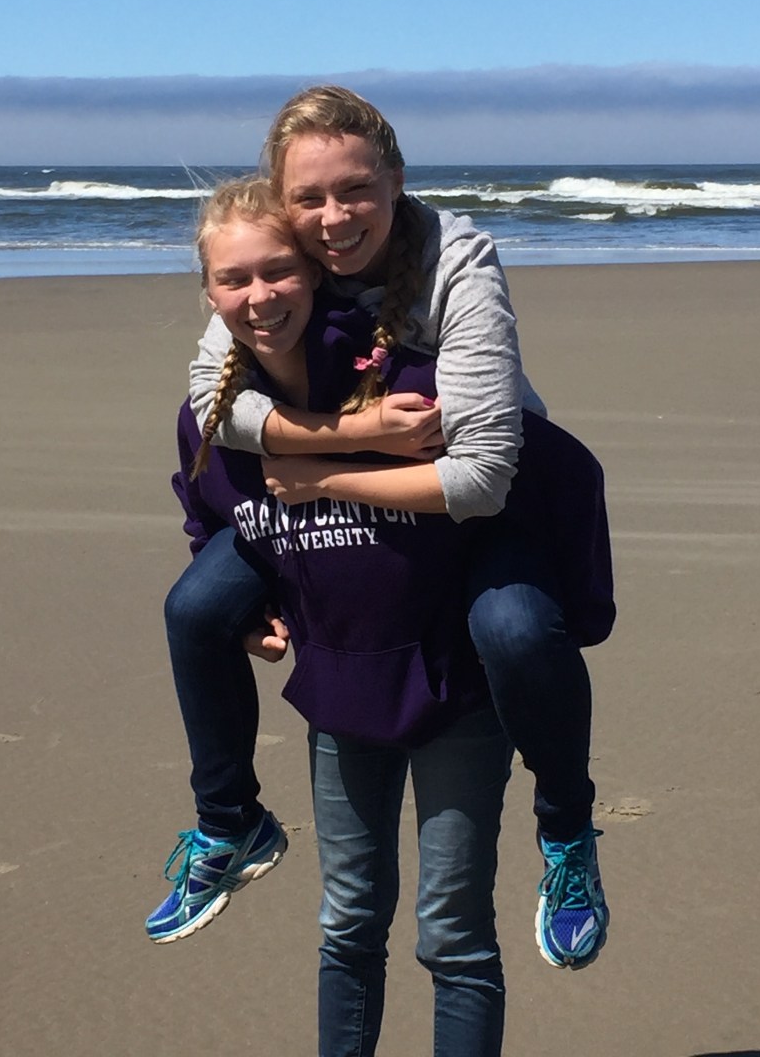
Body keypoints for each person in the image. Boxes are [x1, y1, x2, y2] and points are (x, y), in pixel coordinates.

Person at [156, 86, 614, 970]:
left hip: (483, 498)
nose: (334, 218)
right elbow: (213, 398)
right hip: (329, 496)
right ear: (281, 202)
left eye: (356, 190)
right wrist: (352, 435)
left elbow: (480, 478)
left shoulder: (455, 261)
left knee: (514, 629)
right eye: (310, 197)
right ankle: (230, 820)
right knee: (196, 609)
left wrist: (320, 474)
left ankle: (565, 832)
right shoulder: (282, 256)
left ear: (396, 181)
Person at [152, 176, 515, 1055]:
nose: (259, 296)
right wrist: (246, 604)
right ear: (207, 294)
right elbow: (216, 518)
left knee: (454, 937)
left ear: (316, 273)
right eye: (232, 279)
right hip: (339, 689)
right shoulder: (214, 417)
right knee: (347, 925)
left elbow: (492, 491)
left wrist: (359, 444)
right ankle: (228, 823)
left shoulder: (404, 382)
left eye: (278, 271)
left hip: (453, 689)